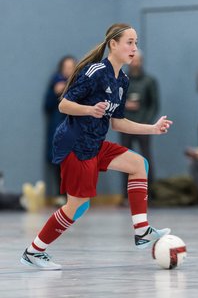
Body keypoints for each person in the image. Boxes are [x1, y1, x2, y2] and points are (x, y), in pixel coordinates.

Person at [21, 23, 172, 270]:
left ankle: (142, 231)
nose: (134, 47)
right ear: (113, 44)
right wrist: (89, 110)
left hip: (95, 142)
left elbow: (118, 122)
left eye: (136, 42)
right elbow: (64, 105)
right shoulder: (95, 71)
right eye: (129, 42)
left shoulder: (122, 80)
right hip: (75, 144)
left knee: (138, 164)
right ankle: (34, 251)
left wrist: (152, 128)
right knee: (77, 205)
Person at [120, 51, 159, 202]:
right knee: (124, 161)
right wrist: (125, 105)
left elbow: (154, 104)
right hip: (125, 124)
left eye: (137, 61)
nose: (135, 63)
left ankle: (151, 194)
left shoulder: (149, 81)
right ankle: (125, 195)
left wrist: (147, 123)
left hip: (143, 125)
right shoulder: (122, 79)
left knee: (146, 158)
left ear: (141, 62)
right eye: (132, 60)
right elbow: (115, 102)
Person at [44, 56, 76, 199]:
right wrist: (55, 93)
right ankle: (60, 194)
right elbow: (47, 106)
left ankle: (75, 194)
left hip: (75, 128)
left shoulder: (80, 83)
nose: (69, 70)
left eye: (72, 67)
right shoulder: (55, 83)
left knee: (76, 161)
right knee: (59, 160)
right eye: (67, 67)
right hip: (59, 128)